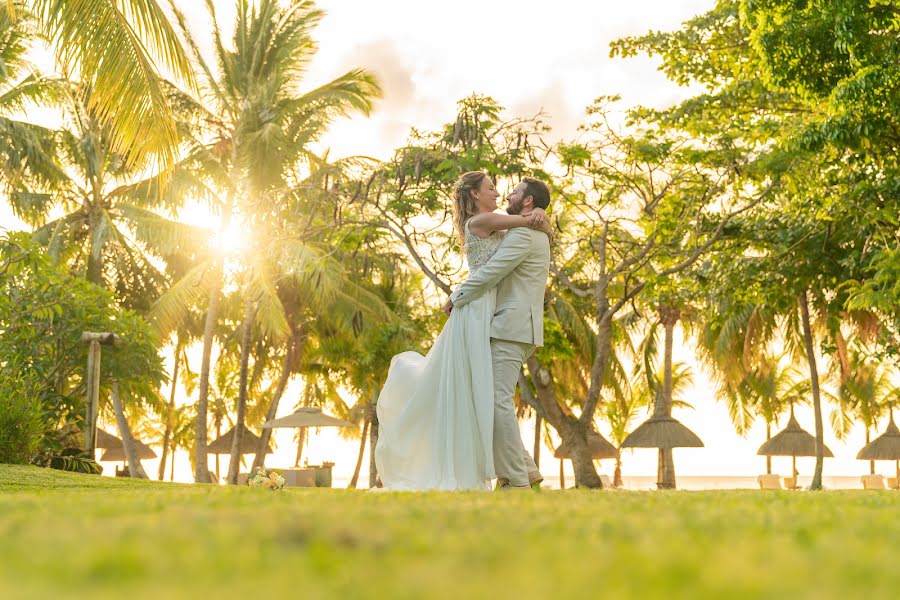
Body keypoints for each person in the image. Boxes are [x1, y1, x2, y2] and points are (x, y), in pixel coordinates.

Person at [374, 171, 551, 490]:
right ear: (474, 195)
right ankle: (524, 471)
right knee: (487, 397)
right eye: (493, 189)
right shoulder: (493, 225)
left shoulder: (522, 232)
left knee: (493, 399)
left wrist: (456, 294)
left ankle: (517, 478)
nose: (501, 194)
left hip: (502, 321)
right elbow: (496, 264)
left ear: (526, 200)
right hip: (489, 316)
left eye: (510, 192)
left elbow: (494, 271)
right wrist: (538, 217)